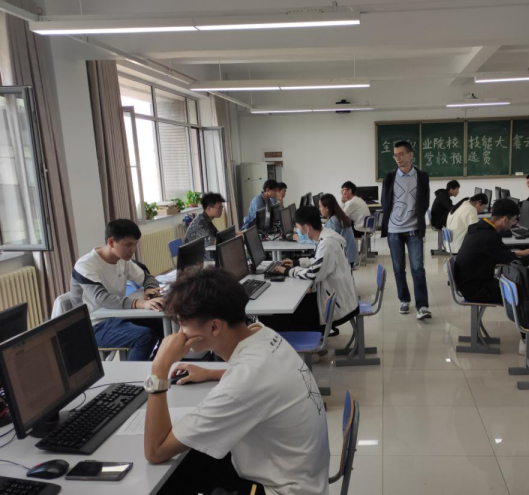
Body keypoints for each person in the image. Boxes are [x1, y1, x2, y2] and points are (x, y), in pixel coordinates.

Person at [144, 267, 329, 495]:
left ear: (214, 327)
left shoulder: (243, 383)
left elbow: (155, 451)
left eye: (183, 325)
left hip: (281, 489)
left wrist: (159, 368)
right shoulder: (263, 334)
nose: (179, 333)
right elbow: (261, 379)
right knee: (189, 460)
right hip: (303, 474)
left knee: (169, 478)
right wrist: (210, 373)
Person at [453, 199, 529, 355]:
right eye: (514, 220)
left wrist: (521, 252)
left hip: (469, 283)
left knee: (521, 286)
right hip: (476, 289)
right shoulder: (489, 236)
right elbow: (513, 263)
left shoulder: (479, 227)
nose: (514, 224)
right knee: (523, 292)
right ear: (504, 219)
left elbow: (497, 254)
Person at [70, 219, 162, 361]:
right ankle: (134, 375)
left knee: (164, 324)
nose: (132, 250)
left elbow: (147, 278)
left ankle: (157, 366)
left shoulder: (123, 260)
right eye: (128, 245)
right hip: (94, 325)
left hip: (118, 316)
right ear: (111, 242)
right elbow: (101, 298)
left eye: (135, 244)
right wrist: (141, 303)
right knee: (145, 337)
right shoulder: (86, 265)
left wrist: (149, 289)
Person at [274, 206, 360, 336]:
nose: (298, 231)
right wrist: (297, 263)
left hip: (338, 305)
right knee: (292, 304)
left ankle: (305, 344)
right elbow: (319, 261)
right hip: (339, 297)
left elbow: (312, 274)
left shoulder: (327, 243)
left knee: (280, 316)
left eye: (299, 228)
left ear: (307, 227)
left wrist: (288, 271)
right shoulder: (326, 235)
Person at [380, 140, 432, 320]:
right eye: (395, 155)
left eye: (401, 154)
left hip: (413, 229)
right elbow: (385, 201)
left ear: (410, 155)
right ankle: (404, 299)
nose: (398, 158)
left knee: (418, 268)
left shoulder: (422, 176)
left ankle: (422, 306)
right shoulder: (389, 177)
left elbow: (425, 201)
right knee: (398, 268)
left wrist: (414, 218)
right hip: (394, 229)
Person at [184, 192, 226, 261]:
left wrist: (233, 233)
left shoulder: (205, 219)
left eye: (222, 207)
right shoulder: (200, 223)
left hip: (201, 256)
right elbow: (214, 242)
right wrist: (231, 236)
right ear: (209, 208)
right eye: (219, 208)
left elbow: (217, 235)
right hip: (193, 262)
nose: (221, 210)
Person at [319, 193, 357, 267]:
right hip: (350, 258)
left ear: (327, 208)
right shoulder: (339, 217)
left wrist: (304, 239)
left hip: (344, 261)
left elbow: (325, 241)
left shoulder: (333, 221)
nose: (319, 209)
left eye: (320, 206)